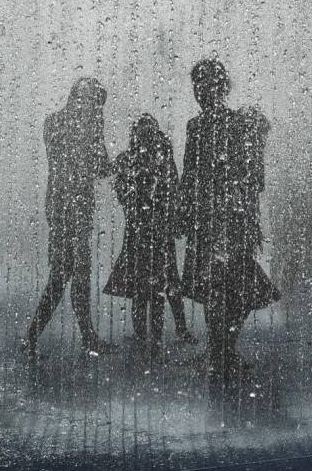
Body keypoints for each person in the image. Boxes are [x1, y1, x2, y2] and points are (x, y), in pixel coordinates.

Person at [178, 60, 280, 386]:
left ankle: (222, 349)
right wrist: (184, 212)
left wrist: (248, 215)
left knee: (235, 289)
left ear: (221, 88)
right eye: (196, 85)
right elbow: (189, 175)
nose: (200, 91)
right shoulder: (200, 127)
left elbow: (252, 179)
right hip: (213, 220)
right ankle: (221, 352)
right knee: (220, 290)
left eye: (205, 84)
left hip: (228, 220)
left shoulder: (237, 125)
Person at [22, 77, 113, 360]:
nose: (97, 110)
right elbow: (98, 167)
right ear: (81, 98)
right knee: (64, 275)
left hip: (69, 206)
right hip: (68, 207)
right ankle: (35, 337)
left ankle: (84, 337)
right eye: (95, 104)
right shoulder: (68, 125)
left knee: (73, 274)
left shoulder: (56, 122)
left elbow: (96, 167)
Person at [103, 114, 194, 354]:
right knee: (147, 286)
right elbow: (123, 191)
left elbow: (173, 189)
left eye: (150, 132)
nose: (146, 137)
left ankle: (158, 334)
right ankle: (148, 335)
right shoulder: (133, 160)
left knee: (159, 284)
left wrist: (173, 217)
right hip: (143, 231)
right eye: (143, 132)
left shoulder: (158, 160)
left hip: (153, 231)